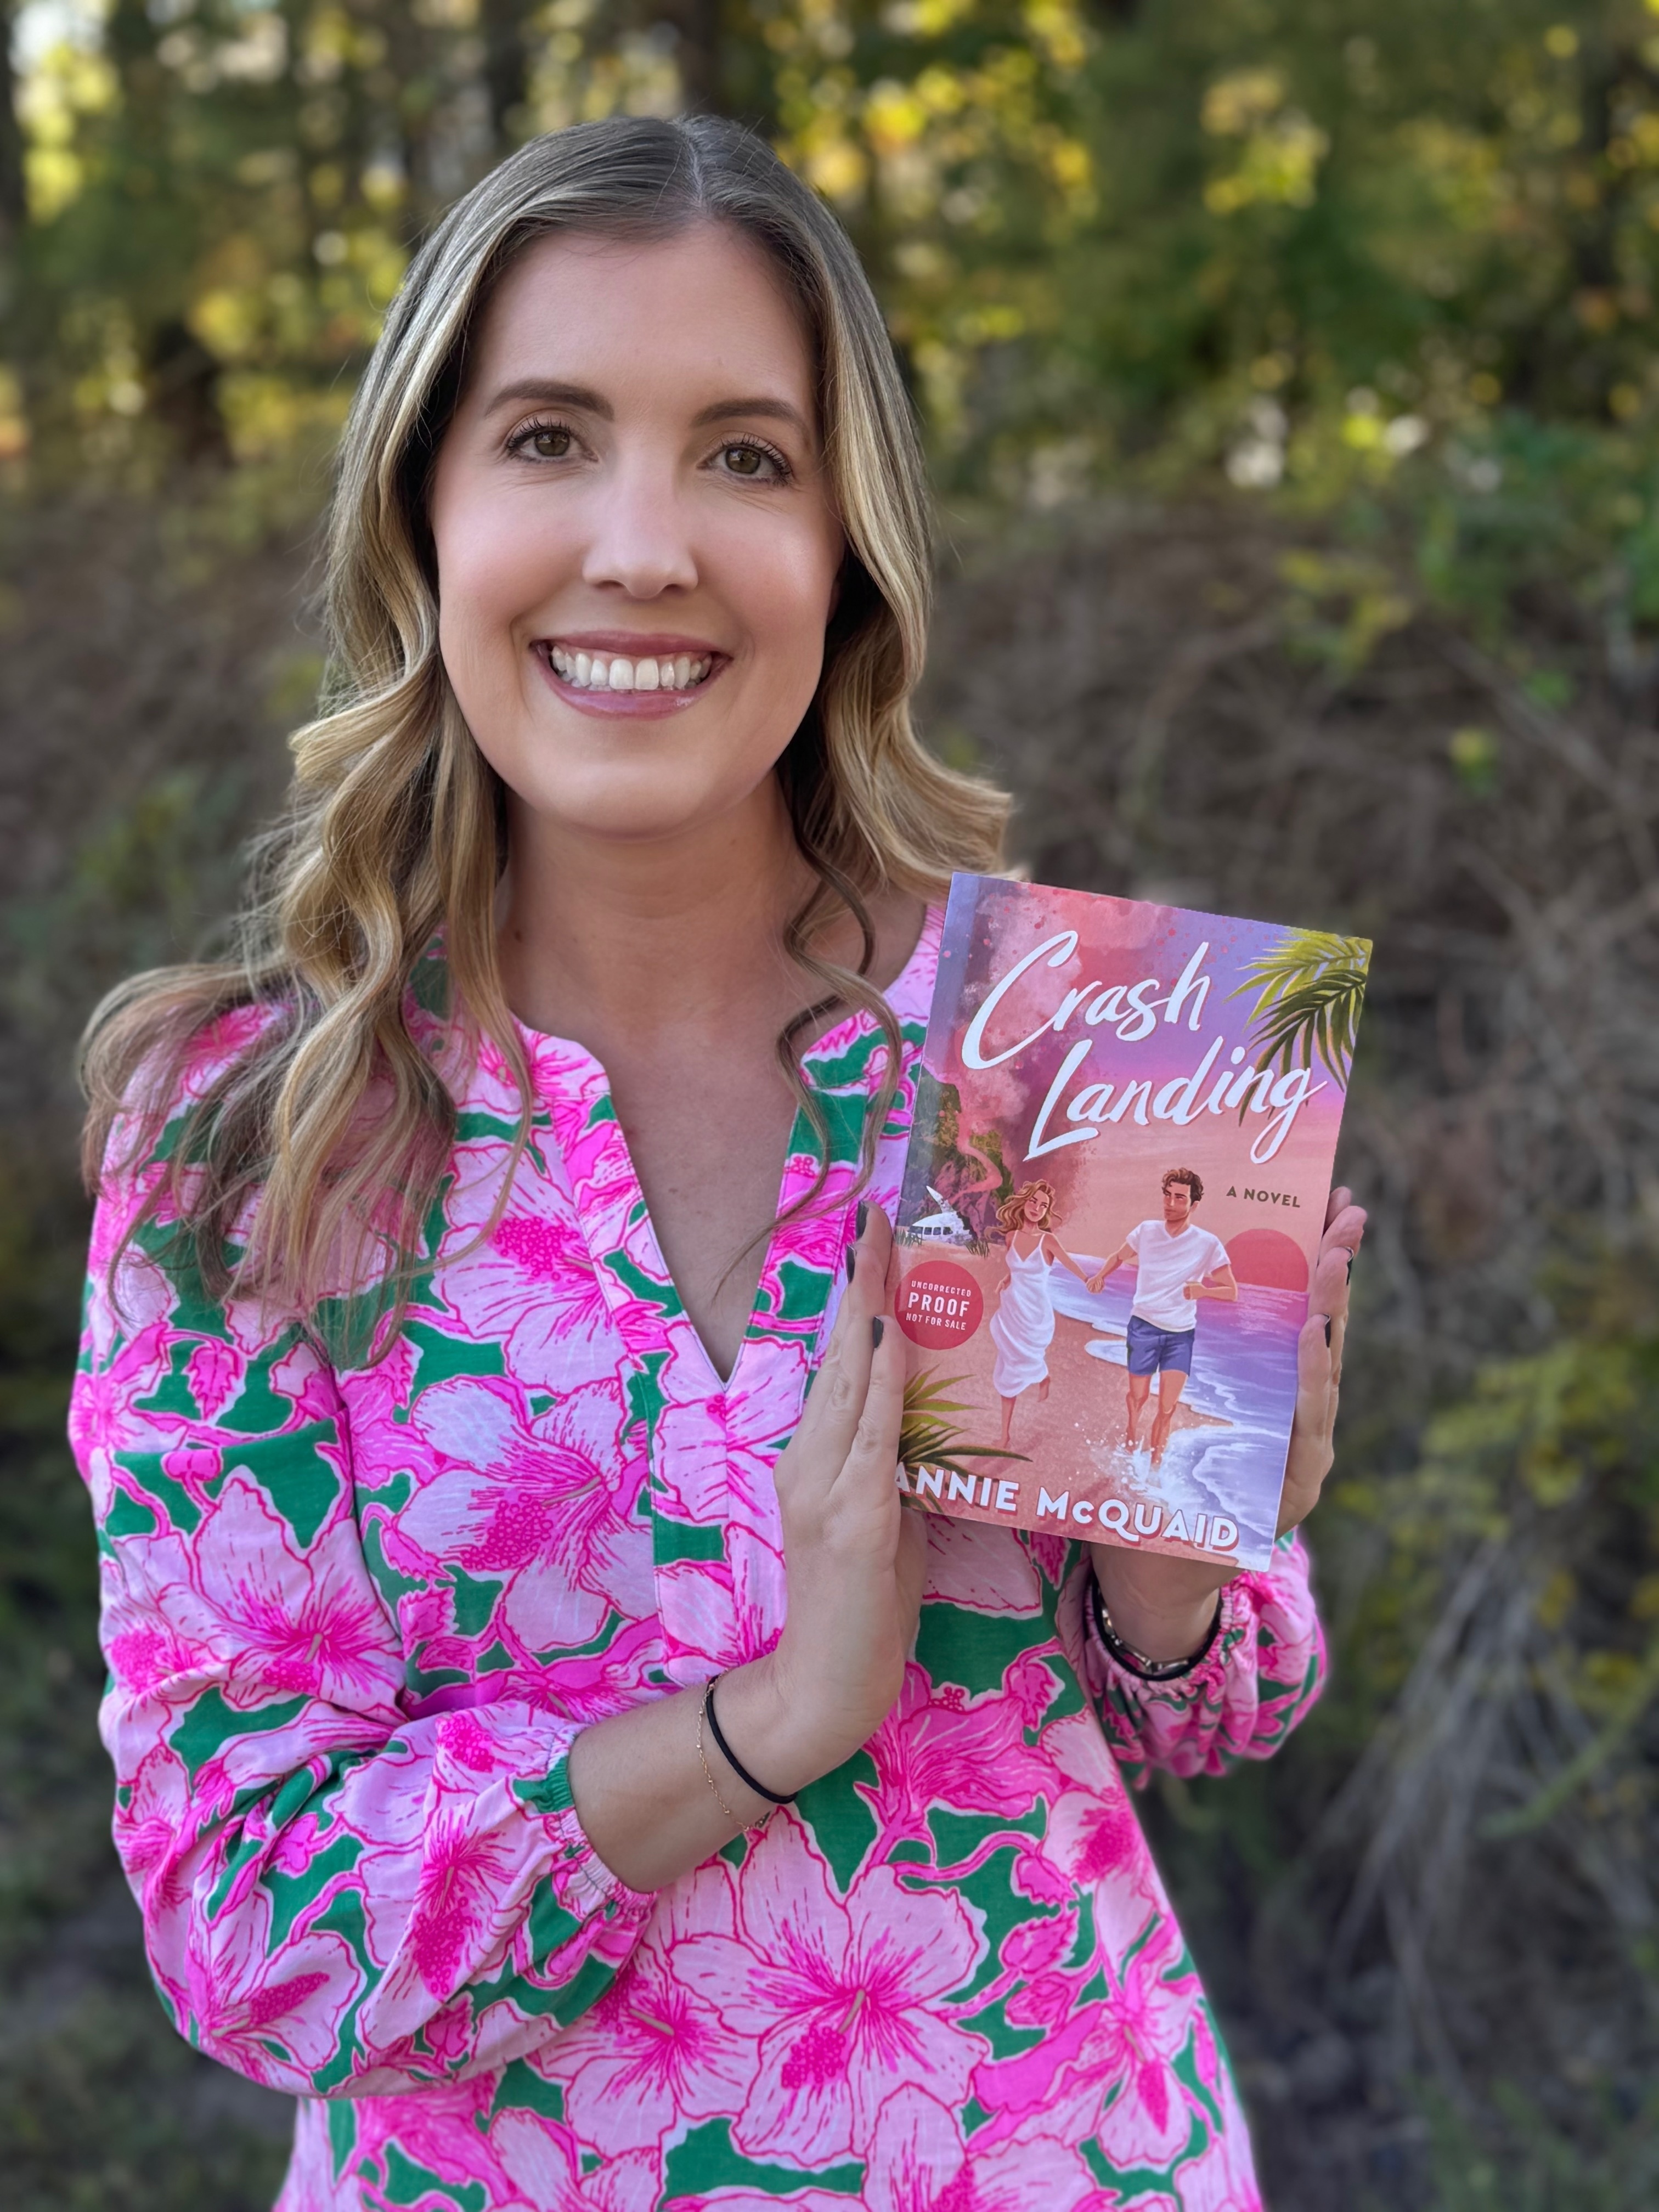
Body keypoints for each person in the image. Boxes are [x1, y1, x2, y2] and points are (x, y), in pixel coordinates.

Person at [71, 116, 1365, 2211]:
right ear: (423, 512)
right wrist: (769, 1715)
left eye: (745, 455)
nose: (644, 542)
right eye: (552, 436)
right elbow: (248, 1922)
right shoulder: (244, 1140)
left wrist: (1183, 1549)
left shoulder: (1053, 1036)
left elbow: (1205, 1709)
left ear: (849, 541)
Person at [1090, 1167, 1238, 1464]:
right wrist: (1101, 1276)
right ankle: (1132, 1441)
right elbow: (1119, 1256)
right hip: (1143, 1326)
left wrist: (1203, 1291)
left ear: (1194, 1205)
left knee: (1167, 1408)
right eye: (1167, 1196)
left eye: (1179, 1198)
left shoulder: (1208, 1244)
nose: (1170, 1204)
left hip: (1180, 1335)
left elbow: (1231, 1290)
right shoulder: (1146, 1231)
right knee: (1138, 1398)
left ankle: (1156, 1468)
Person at [987, 1178, 1095, 1445]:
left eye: (1043, 1205)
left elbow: (1068, 1261)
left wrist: (1087, 1280)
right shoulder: (1011, 1236)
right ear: (1024, 1202)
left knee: (1026, 1359)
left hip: (1035, 1314)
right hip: (1011, 1309)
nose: (1037, 1208)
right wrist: (1006, 1280)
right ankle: (1004, 1435)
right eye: (1033, 1201)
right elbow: (1017, 1270)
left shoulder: (1048, 1240)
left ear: (1047, 1212)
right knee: (1007, 1368)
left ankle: (1042, 1376)